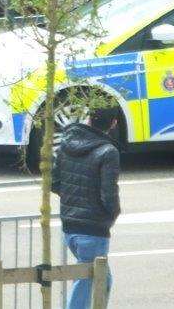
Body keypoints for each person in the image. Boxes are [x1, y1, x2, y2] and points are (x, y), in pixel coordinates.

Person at [52, 105, 121, 308]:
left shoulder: (67, 142)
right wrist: (111, 214)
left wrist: (73, 200)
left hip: (69, 226)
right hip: (93, 230)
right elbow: (109, 195)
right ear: (114, 123)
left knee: (103, 278)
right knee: (88, 278)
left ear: (89, 118)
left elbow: (54, 182)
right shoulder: (108, 151)